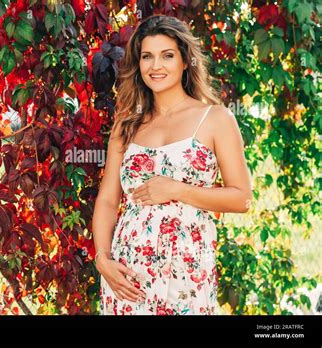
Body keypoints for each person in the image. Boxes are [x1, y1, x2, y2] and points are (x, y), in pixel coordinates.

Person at [92, 14, 252, 315]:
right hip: (127, 274)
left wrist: (176, 189)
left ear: (185, 61)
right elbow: (107, 200)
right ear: (138, 65)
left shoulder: (215, 118)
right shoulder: (126, 125)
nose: (156, 66)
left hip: (185, 273)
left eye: (167, 55)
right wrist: (103, 259)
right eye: (147, 57)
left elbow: (242, 198)